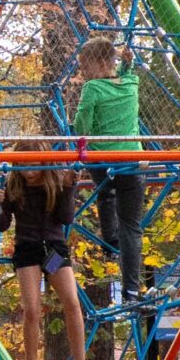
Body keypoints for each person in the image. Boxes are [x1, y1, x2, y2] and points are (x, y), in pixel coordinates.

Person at [0, 159, 93, 360]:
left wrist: (68, 188)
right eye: (23, 165)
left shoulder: (55, 184)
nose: (29, 170)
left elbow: (66, 218)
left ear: (44, 164)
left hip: (54, 250)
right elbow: (2, 225)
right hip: (28, 250)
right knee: (31, 307)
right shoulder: (13, 187)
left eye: (34, 165)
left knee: (72, 302)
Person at [74, 34, 144, 302]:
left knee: (105, 194)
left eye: (85, 66)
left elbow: (83, 128)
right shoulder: (131, 83)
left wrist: (77, 127)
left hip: (104, 161)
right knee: (132, 226)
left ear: (101, 62)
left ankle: (110, 244)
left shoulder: (92, 89)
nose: (83, 72)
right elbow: (122, 76)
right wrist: (126, 65)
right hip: (132, 161)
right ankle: (131, 290)